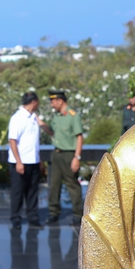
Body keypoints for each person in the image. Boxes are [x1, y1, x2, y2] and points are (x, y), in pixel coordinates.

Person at [8, 92, 49, 230]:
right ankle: (16, 218)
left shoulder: (33, 117)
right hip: (20, 162)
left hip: (33, 160)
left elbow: (33, 141)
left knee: (32, 191)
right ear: (34, 102)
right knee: (18, 191)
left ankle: (33, 217)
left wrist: (39, 159)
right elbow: (12, 141)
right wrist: (19, 162)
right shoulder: (17, 118)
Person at [46, 90, 84, 226]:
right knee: (54, 183)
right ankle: (53, 212)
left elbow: (79, 137)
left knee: (72, 184)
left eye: (53, 101)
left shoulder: (73, 116)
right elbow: (52, 132)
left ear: (60, 101)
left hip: (69, 154)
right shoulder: (56, 116)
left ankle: (77, 213)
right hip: (56, 153)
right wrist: (41, 124)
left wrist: (77, 157)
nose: (51, 104)